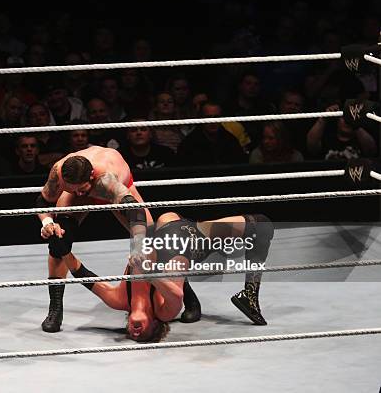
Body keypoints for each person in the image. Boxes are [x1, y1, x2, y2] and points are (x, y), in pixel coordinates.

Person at [61, 210, 274, 342]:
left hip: (167, 226)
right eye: (144, 336)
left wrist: (61, 249)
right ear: (154, 326)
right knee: (262, 225)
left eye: (133, 336)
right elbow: (175, 295)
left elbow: (83, 274)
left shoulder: (119, 299)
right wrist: (147, 271)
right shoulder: (164, 312)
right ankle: (250, 294)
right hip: (192, 240)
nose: (136, 334)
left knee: (149, 216)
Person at [35, 146, 153, 332]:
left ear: (90, 176)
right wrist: (48, 223)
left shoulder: (108, 182)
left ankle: (188, 296)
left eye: (82, 190)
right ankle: (55, 308)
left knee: (153, 240)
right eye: (72, 190)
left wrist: (138, 248)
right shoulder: (59, 173)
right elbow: (43, 202)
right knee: (58, 240)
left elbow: (136, 212)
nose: (79, 195)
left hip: (111, 190)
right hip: (81, 185)